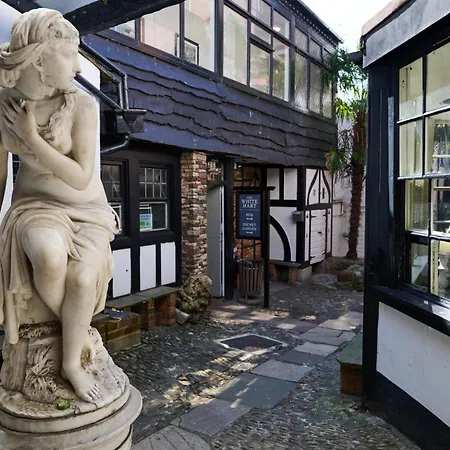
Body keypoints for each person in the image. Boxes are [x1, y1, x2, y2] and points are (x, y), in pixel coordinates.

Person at [0, 9, 118, 403]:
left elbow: (82, 176)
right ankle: (75, 332)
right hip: (36, 207)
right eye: (69, 54)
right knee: (49, 257)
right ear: (39, 58)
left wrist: (32, 138)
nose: (78, 65)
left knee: (82, 280)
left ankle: (71, 362)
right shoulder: (2, 105)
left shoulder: (82, 105)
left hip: (88, 212)